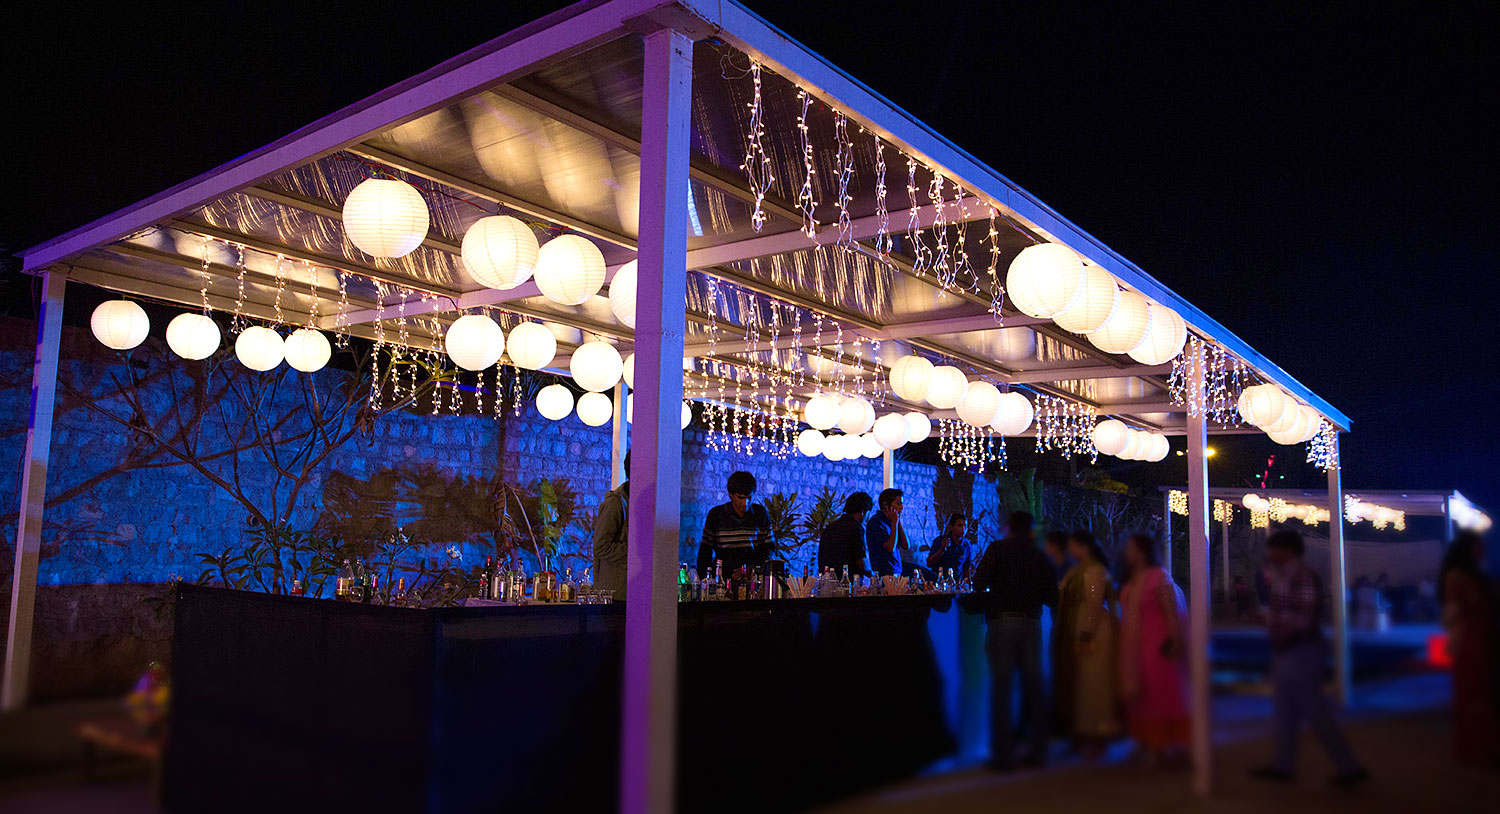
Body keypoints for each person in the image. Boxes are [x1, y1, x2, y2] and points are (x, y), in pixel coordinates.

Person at [1250, 529, 1369, 787]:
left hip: (1300, 650)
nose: (1271, 554)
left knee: (1314, 710)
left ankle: (1348, 768)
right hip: (1288, 649)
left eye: (1275, 549)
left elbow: (1304, 617)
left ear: (1288, 551)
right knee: (1286, 710)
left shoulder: (1301, 576)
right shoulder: (1287, 575)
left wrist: (1269, 620)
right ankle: (1283, 765)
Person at [970, 511, 1059, 770]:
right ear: (1031, 530)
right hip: (1031, 623)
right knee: (1034, 687)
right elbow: (1052, 598)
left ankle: (1003, 756)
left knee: (1002, 688)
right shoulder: (1040, 556)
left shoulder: (997, 549)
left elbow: (978, 583)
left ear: (1009, 528)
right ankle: (1038, 751)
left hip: (1002, 621)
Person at [1118, 533, 1189, 767]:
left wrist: (1174, 640)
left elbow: (1171, 611)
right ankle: (1145, 741)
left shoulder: (1159, 577)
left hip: (1157, 647)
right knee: (1139, 696)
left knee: (1157, 696)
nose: (1127, 552)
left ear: (1141, 551)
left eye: (1130, 547)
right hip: (1134, 647)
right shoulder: (1134, 578)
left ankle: (1161, 746)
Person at [1439, 530, 1496, 765]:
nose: (1482, 549)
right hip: (1472, 639)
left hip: (1485, 636)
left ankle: (1481, 745)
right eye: (1477, 545)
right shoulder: (1459, 576)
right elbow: (1452, 612)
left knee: (1483, 689)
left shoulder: (1477, 574)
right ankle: (1474, 746)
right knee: (1474, 689)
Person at [1060, 530, 1120, 756]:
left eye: (1072, 545)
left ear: (1082, 547)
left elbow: (1094, 604)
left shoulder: (1093, 571)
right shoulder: (1079, 571)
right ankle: (1085, 734)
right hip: (1083, 630)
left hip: (1093, 634)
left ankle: (1099, 736)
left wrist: (1085, 633)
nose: (1069, 550)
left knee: (1094, 684)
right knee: (1083, 685)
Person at [696, 471, 772, 578]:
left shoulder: (760, 514)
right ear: (731, 495)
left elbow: (769, 548)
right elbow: (705, 552)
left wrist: (752, 569)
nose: (745, 503)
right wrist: (704, 580)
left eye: (749, 498)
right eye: (740, 497)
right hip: (723, 575)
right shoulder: (717, 515)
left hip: (751, 576)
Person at [592, 450, 629, 599]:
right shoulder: (615, 503)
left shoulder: (638, 505)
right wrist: (633, 552)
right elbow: (600, 546)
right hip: (616, 594)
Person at [818, 491, 872, 577]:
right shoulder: (856, 528)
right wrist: (874, 575)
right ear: (863, 512)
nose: (867, 518)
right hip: (847, 583)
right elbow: (861, 563)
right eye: (868, 514)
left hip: (827, 581)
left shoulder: (830, 528)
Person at [865, 488, 909, 577]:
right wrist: (895, 523)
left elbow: (906, 545)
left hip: (896, 572)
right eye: (898, 503)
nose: (901, 507)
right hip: (884, 574)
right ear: (886, 505)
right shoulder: (876, 522)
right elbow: (890, 548)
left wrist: (897, 522)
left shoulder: (892, 522)